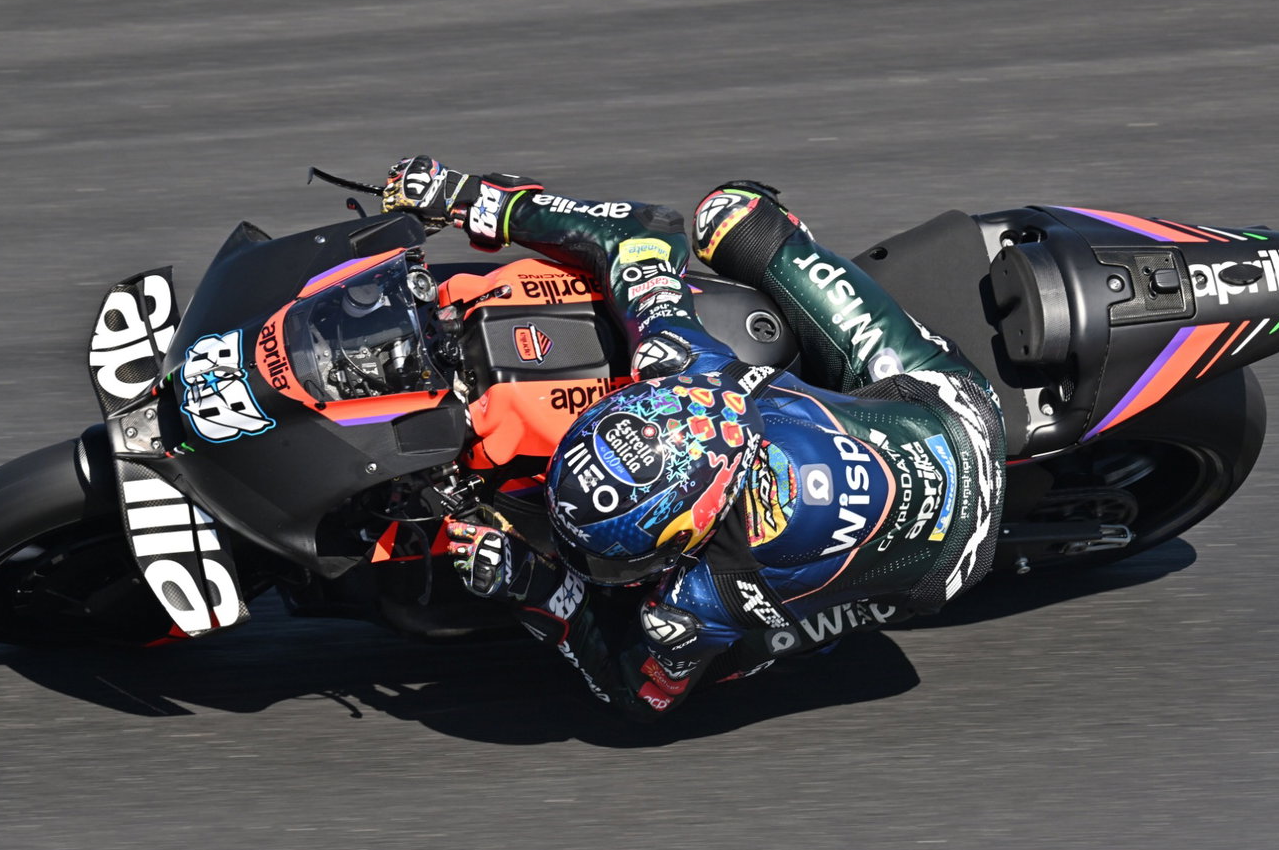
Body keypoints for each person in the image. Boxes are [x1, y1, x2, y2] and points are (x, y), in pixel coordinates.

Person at [382, 154, 1005, 720]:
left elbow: (639, 691)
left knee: (743, 646)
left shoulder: (703, 596)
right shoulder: (687, 369)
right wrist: (472, 198)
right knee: (732, 216)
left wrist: (534, 585)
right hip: (914, 431)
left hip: (957, 458)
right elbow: (643, 230)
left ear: (691, 537)